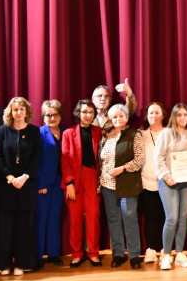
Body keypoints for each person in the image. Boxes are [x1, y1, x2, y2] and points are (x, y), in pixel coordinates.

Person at [0, 97, 42, 275]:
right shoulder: (1, 132)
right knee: (5, 228)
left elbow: (37, 157)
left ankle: (21, 263)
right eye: (15, 110)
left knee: (24, 226)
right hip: (6, 186)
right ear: (10, 113)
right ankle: (5, 264)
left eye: (22, 109)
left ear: (27, 112)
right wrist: (10, 176)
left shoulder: (35, 132)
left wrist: (25, 177)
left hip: (27, 186)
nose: (18, 113)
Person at [154, 103, 187, 270]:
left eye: (185, 115)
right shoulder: (166, 133)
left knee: (183, 218)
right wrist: (166, 176)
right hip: (168, 182)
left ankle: (179, 253)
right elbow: (158, 158)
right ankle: (166, 255)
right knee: (172, 218)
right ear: (174, 117)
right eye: (179, 115)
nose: (182, 118)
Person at [99, 104, 146, 268]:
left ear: (126, 117)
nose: (117, 119)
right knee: (113, 220)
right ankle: (118, 254)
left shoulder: (135, 134)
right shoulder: (106, 135)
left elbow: (139, 160)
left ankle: (134, 256)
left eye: (120, 116)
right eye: (114, 117)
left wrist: (123, 169)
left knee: (130, 219)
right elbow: (102, 160)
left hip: (127, 183)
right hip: (107, 185)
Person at [61, 99, 103, 267]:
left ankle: (93, 252)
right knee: (75, 219)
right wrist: (69, 182)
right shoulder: (68, 133)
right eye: (85, 112)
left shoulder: (99, 131)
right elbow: (65, 160)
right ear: (78, 114)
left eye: (91, 112)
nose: (88, 115)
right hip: (74, 179)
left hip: (93, 177)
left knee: (93, 217)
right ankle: (77, 253)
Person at [36, 100, 65, 266]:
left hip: (61, 183)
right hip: (44, 183)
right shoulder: (39, 133)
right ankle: (38, 255)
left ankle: (53, 253)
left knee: (54, 218)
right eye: (49, 115)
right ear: (43, 117)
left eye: (55, 114)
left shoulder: (66, 132)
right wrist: (40, 184)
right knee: (41, 219)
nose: (52, 117)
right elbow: (35, 162)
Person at [138, 102, 167, 263]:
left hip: (167, 182)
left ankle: (165, 249)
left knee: (166, 217)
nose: (153, 116)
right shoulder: (141, 134)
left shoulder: (170, 133)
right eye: (150, 113)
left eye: (156, 113)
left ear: (163, 115)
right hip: (147, 182)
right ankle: (150, 249)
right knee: (150, 218)